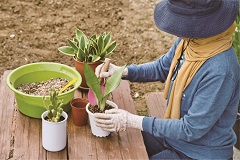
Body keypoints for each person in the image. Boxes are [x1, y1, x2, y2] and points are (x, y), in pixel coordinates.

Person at [94, 0, 240, 159]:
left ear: (200, 24)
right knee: (120, 143)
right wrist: (121, 71)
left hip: (200, 153)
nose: (176, 30)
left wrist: (132, 120)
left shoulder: (221, 71)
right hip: (173, 137)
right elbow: (162, 68)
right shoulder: (192, 42)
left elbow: (190, 129)